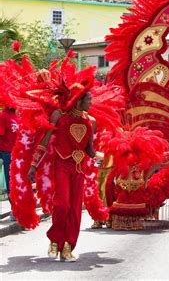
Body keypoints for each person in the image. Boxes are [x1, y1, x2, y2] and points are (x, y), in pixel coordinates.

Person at [27, 90, 101, 262]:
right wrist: (33, 165)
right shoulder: (58, 116)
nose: (91, 103)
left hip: (79, 168)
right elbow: (44, 141)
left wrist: (106, 156)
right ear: (78, 101)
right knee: (61, 204)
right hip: (61, 165)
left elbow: (89, 149)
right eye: (88, 100)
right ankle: (55, 238)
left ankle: (68, 246)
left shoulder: (91, 121)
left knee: (75, 209)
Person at [0, 107, 18, 221]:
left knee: (18, 183)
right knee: (11, 183)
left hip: (18, 154)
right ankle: (14, 210)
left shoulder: (17, 116)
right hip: (7, 154)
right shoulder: (3, 116)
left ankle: (18, 209)